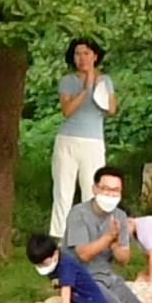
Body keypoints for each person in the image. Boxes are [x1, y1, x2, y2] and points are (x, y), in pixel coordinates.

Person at [47, 37, 115, 248]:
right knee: (63, 191)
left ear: (95, 56)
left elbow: (111, 110)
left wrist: (96, 86)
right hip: (68, 141)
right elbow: (67, 110)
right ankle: (60, 239)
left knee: (91, 189)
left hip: (93, 141)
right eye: (78, 54)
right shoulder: (68, 81)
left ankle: (89, 237)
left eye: (86, 53)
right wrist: (84, 88)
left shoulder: (105, 81)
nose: (82, 58)